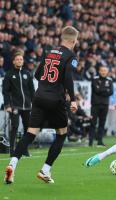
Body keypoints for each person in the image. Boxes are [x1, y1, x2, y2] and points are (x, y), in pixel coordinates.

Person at [4, 26, 78, 184]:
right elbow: (68, 78)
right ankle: (45, 170)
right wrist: (72, 99)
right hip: (55, 99)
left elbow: (37, 74)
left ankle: (12, 164)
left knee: (30, 133)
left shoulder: (50, 52)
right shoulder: (71, 55)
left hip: (39, 96)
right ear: (73, 41)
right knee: (62, 133)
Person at [2, 50, 35, 157]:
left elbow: (32, 90)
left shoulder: (27, 74)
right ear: (13, 62)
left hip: (27, 105)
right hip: (14, 105)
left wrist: (34, 103)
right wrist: (7, 105)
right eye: (17, 59)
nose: (19, 61)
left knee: (27, 128)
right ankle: (12, 150)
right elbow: (5, 91)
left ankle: (24, 149)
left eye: (21, 59)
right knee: (15, 126)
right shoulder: (9, 74)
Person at [89, 65, 113, 147]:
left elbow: (111, 92)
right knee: (93, 123)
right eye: (102, 70)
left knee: (102, 124)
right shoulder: (94, 79)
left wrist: (101, 89)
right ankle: (90, 142)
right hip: (95, 104)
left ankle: (100, 141)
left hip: (105, 105)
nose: (103, 72)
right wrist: (105, 90)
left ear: (107, 72)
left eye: (105, 71)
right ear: (99, 71)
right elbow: (96, 90)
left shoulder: (110, 80)